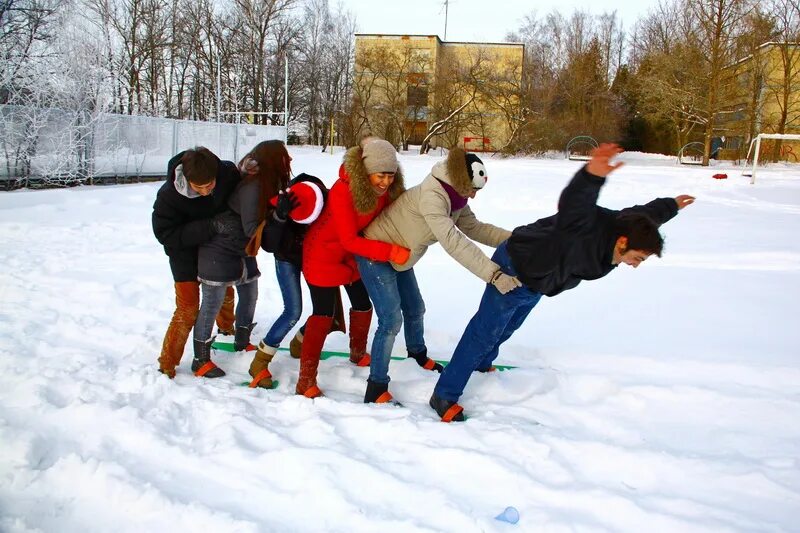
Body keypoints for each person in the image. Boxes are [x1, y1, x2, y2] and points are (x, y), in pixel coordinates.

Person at [430, 143, 696, 421]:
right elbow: (575, 202)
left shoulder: (626, 227)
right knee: (484, 331)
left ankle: (482, 364)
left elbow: (647, 214)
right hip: (515, 268)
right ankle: (444, 394)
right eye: (638, 258)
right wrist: (591, 175)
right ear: (623, 242)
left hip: (538, 283)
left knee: (507, 327)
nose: (635, 265)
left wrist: (672, 205)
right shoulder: (583, 227)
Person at [357, 147, 513, 403]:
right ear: (462, 182)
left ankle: (417, 355)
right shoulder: (434, 196)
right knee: (390, 321)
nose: (473, 196)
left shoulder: (455, 196)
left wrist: (514, 240)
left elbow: (474, 228)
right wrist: (493, 274)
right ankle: (376, 387)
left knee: (416, 308)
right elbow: (453, 241)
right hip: (375, 254)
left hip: (400, 255)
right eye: (472, 190)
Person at [297, 139, 409, 399]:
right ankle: (305, 379)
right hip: (321, 255)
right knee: (323, 315)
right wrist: (390, 251)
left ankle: (358, 352)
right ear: (368, 171)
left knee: (362, 304)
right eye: (380, 176)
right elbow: (349, 238)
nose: (385, 182)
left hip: (350, 256)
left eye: (391, 176)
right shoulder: (343, 191)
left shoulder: (382, 190)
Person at [190, 140, 290, 378]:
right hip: (219, 247)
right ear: (274, 161)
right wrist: (278, 217)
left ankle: (242, 340)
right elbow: (250, 228)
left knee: (250, 293)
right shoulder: (254, 186)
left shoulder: (267, 181)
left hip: (241, 248)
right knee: (212, 302)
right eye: (285, 157)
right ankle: (200, 359)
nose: (290, 161)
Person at [152, 147, 241, 378]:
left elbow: (240, 178)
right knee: (188, 308)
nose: (204, 191)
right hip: (183, 253)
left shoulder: (226, 174)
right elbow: (165, 234)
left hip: (213, 248)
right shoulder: (168, 196)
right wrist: (210, 226)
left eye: (209, 185)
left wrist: (249, 166)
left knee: (224, 290)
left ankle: (226, 327)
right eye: (197, 187)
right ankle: (167, 362)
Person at [246, 172, 329, 389]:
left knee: (326, 311)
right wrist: (279, 218)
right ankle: (259, 362)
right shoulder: (285, 203)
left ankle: (299, 342)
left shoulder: (325, 199)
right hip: (286, 258)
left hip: (314, 258)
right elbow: (269, 245)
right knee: (293, 311)